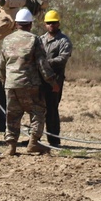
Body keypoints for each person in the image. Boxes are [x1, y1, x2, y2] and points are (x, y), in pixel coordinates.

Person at [0, 7, 60, 156]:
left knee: (12, 115)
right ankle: (33, 143)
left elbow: (1, 64)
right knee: (38, 111)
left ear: (16, 24)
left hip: (11, 83)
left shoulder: (7, 40)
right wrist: (53, 82)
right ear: (30, 24)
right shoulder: (34, 39)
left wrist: (4, 81)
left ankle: (11, 146)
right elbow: (42, 64)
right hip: (29, 84)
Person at [39, 9, 73, 147]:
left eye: (53, 23)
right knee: (38, 109)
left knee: (52, 109)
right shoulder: (40, 39)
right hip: (40, 79)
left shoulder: (64, 41)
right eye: (48, 23)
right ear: (45, 24)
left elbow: (63, 59)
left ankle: (54, 140)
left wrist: (45, 62)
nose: (51, 25)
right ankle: (36, 138)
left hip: (54, 80)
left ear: (58, 24)